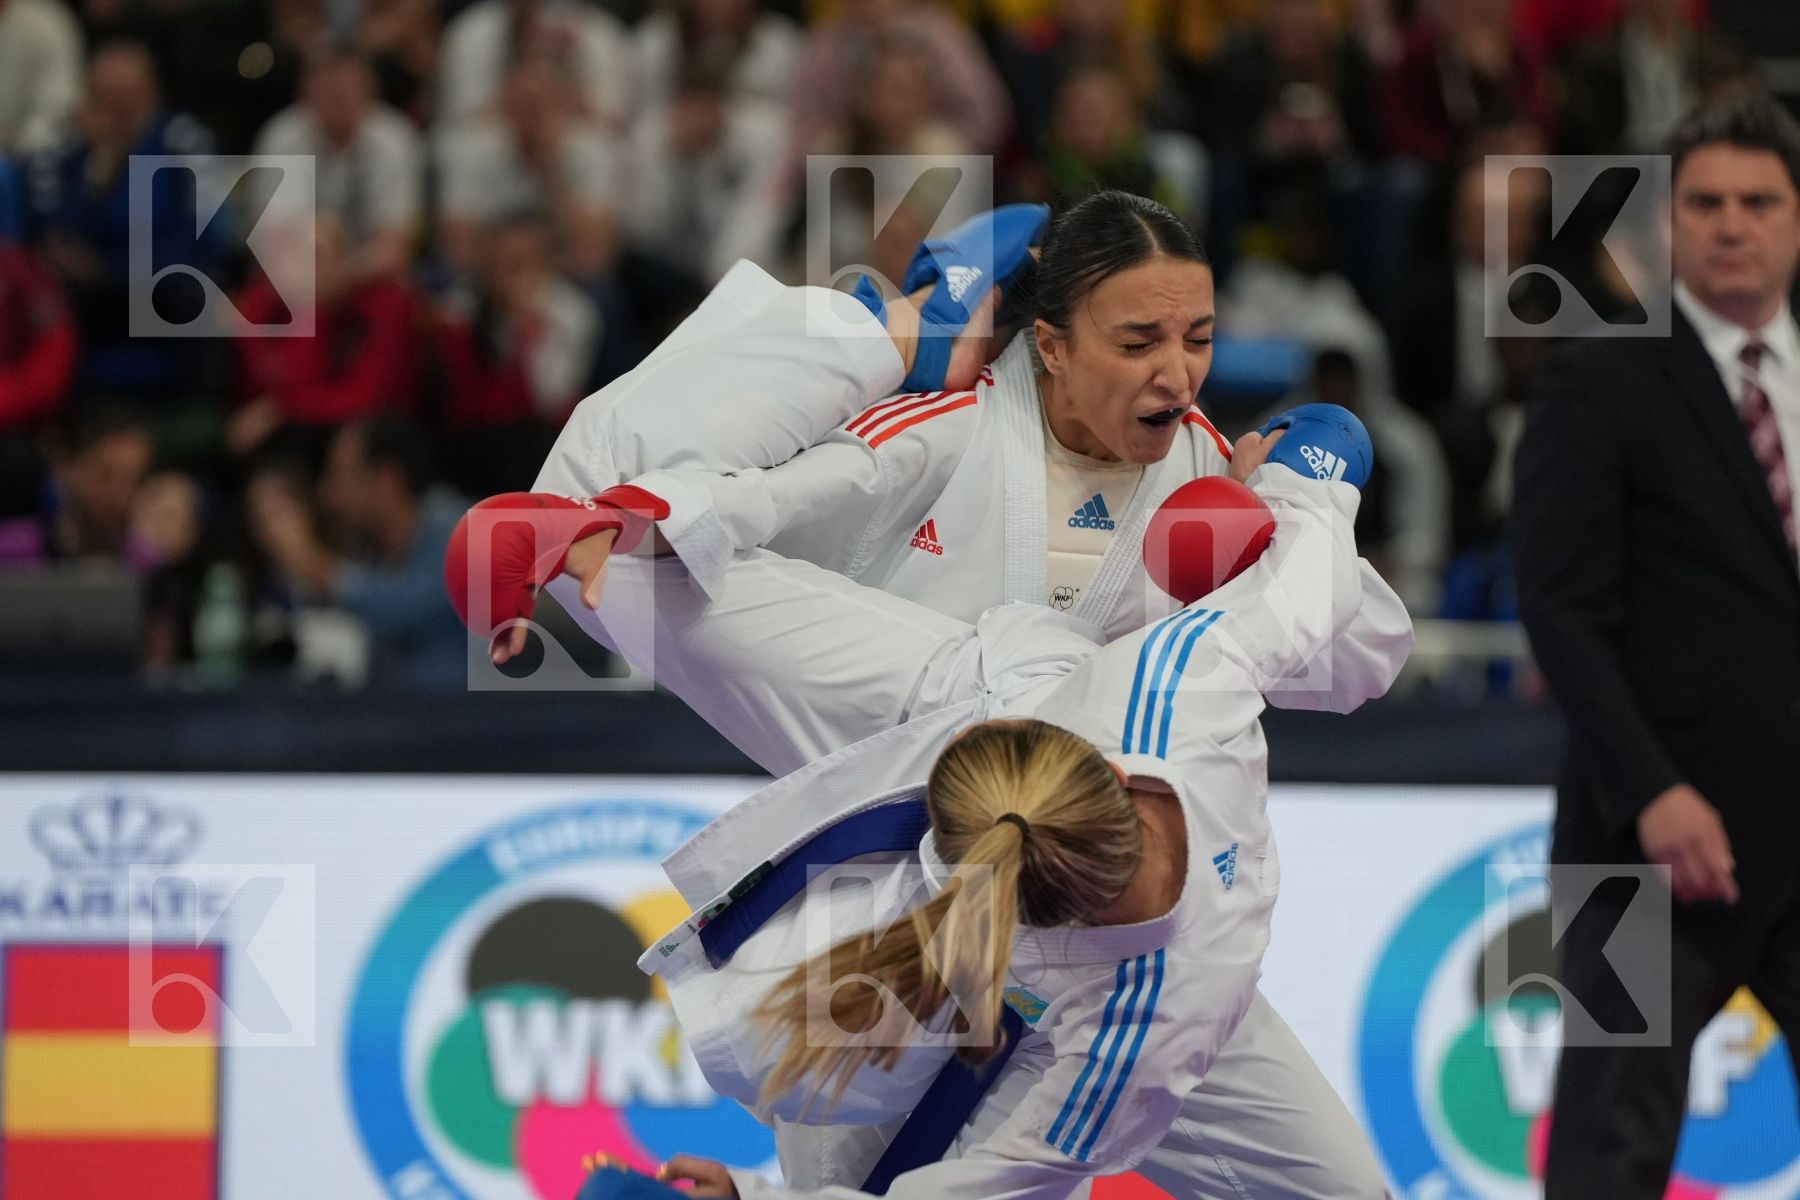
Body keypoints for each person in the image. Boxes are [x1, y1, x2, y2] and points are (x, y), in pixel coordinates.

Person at [474, 197, 1408, 1198]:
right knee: (623, 520)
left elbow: (1356, 658)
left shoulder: (1210, 472)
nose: (1175, 374)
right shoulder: (951, 426)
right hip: (915, 844)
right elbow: (778, 501)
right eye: (1138, 341)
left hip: (1114, 917)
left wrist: (1276, 518)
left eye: (1198, 340)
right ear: (1049, 346)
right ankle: (894, 325)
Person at [1512, 92, 1800, 1198]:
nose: (1734, 223)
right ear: (1668, 223)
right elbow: (1560, 607)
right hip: (1639, 846)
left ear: (1794, 218)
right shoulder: (1598, 376)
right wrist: (1653, 792)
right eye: (1708, 202)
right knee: (1606, 1150)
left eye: (1760, 202)